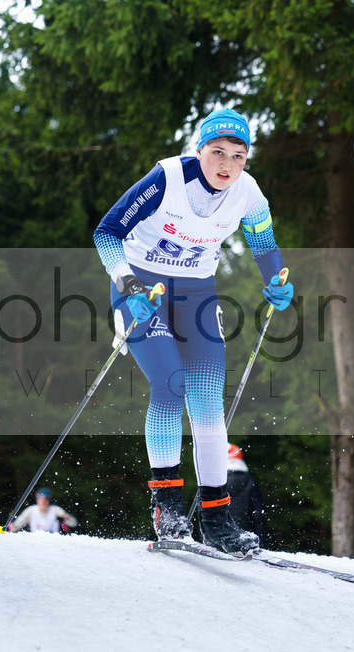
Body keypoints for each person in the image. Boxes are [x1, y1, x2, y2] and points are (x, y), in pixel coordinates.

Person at [92, 108, 293, 555]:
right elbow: (107, 233)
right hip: (142, 286)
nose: (227, 165)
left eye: (238, 156)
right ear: (199, 150)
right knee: (171, 386)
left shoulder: (248, 192)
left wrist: (276, 280)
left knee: (206, 399)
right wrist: (128, 286)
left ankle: (217, 520)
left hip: (197, 292)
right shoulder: (167, 178)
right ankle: (167, 511)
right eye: (217, 153)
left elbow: (263, 244)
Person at [224, 443, 270, 541]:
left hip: (222, 536)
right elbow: (258, 515)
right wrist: (262, 543)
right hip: (247, 538)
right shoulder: (250, 481)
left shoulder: (215, 483)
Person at [7, 488, 78, 533]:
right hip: (36, 544)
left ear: (49, 500)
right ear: (37, 500)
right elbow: (15, 527)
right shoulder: (31, 510)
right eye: (40, 498)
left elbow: (74, 523)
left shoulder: (56, 510)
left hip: (54, 543)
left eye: (46, 498)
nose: (43, 501)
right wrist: (12, 523)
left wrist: (65, 519)